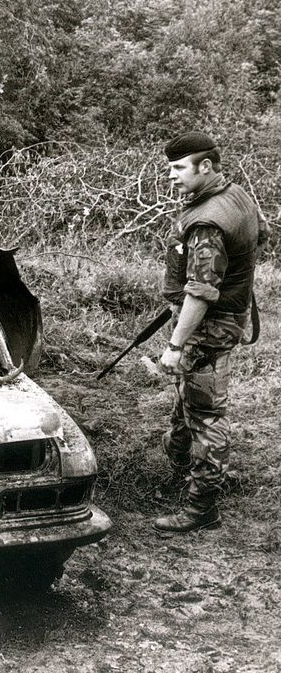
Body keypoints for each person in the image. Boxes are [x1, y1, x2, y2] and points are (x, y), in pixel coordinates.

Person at [153, 132, 267, 534]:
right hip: (222, 319)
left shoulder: (207, 220)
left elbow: (201, 292)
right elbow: (258, 240)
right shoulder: (235, 195)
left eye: (179, 168)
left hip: (210, 326)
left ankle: (202, 507)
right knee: (189, 399)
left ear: (206, 166)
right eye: (170, 167)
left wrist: (174, 344)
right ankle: (179, 467)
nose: (171, 175)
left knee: (206, 414)